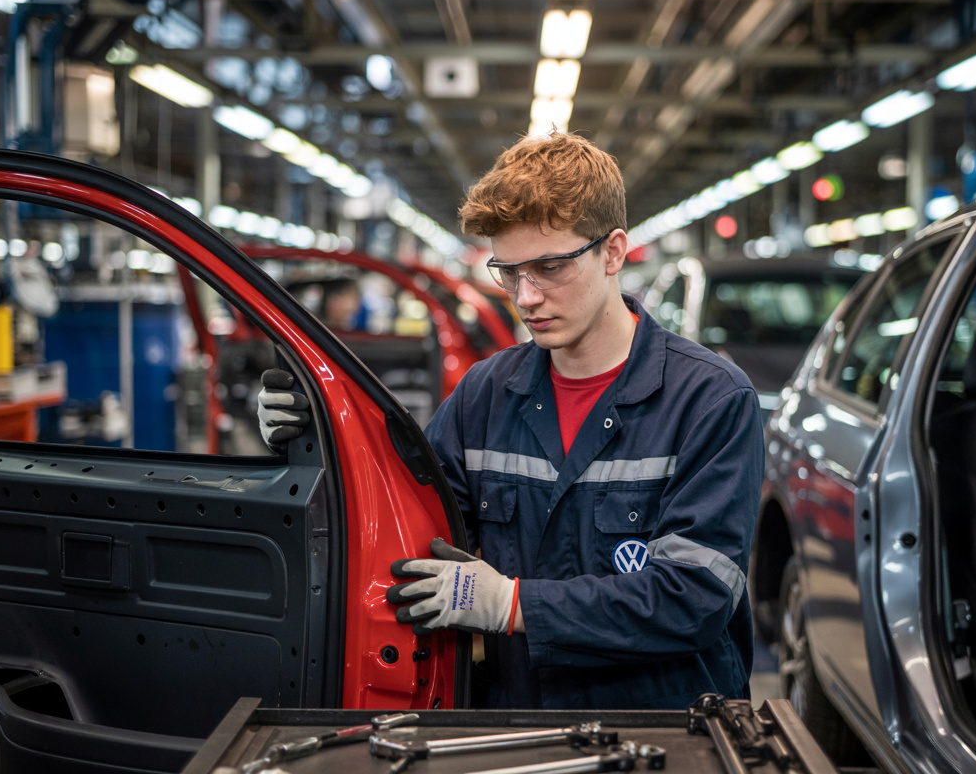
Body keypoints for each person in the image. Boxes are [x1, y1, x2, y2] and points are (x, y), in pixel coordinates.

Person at [258, 131, 762, 709]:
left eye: (549, 267)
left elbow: (693, 599)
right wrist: (316, 439)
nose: (526, 297)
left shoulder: (710, 400)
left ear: (613, 252)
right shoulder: (487, 393)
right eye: (509, 272)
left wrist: (513, 604)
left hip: (666, 728)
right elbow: (403, 521)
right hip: (516, 721)